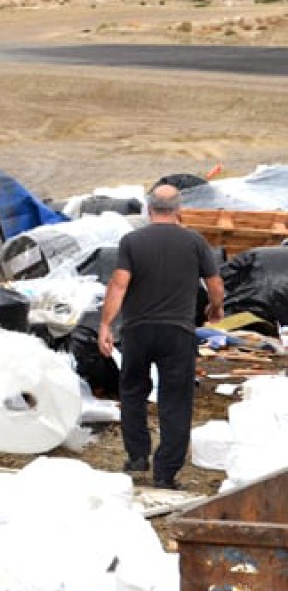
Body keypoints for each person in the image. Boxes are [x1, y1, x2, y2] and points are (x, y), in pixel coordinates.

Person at [98, 184, 224, 489]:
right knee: (176, 400)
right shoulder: (195, 241)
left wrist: (105, 325)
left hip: (137, 330)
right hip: (177, 332)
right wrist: (215, 308)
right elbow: (215, 283)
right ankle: (165, 472)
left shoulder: (131, 241)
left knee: (132, 392)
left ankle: (137, 457)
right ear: (179, 209)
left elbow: (118, 284)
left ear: (148, 208)